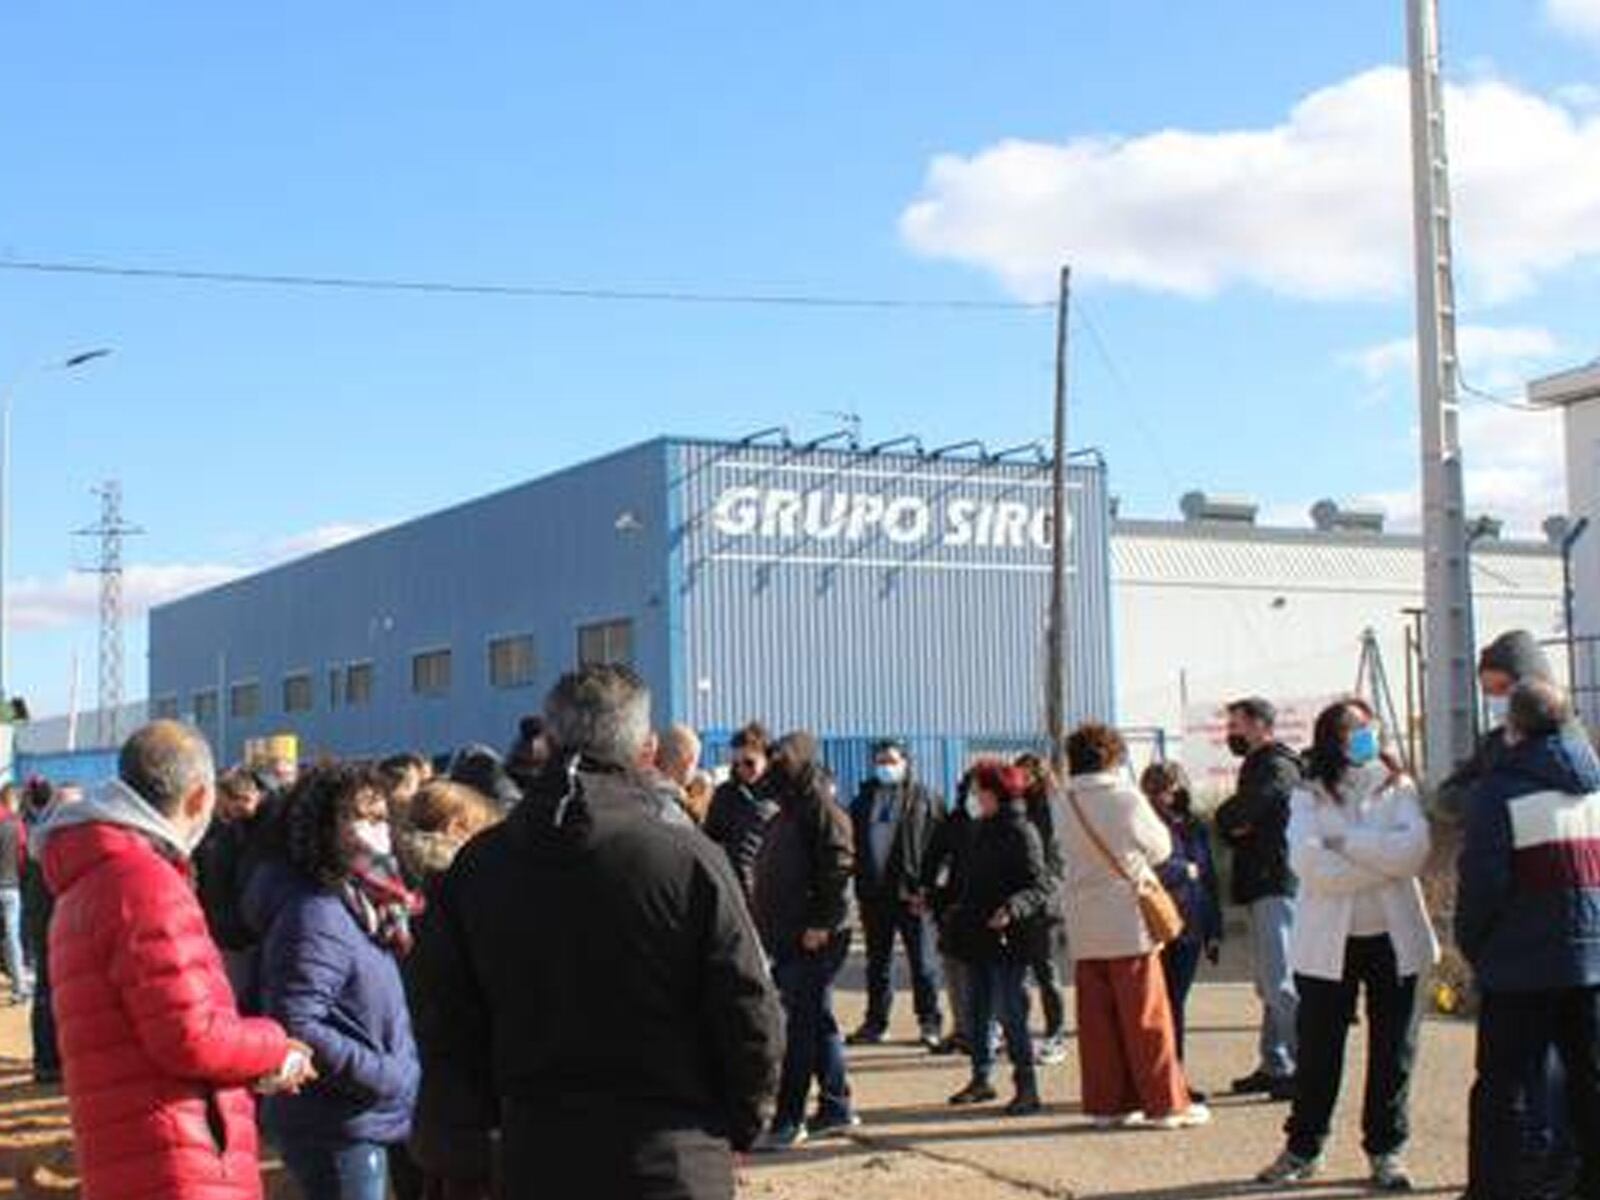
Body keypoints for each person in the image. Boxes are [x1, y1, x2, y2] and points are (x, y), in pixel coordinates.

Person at [409, 666, 782, 1199]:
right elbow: (751, 1012)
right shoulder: (686, 859)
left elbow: (442, 1018)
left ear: (549, 740)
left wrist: (471, 1141)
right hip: (669, 1155)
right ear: (647, 751)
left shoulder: (480, 865)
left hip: (537, 1154)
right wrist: (739, 1120)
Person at [39, 720, 313, 1200]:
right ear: (200, 798)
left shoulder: (88, 881)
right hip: (179, 1158)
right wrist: (275, 1047)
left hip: (131, 1150)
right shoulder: (145, 884)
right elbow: (190, 1035)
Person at [1255, 699, 1437, 1190]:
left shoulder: (1398, 785)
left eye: (1367, 727)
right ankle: (1304, 1147)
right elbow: (1312, 866)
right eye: (1352, 729)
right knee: (1319, 1050)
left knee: (1394, 1051)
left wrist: (1347, 844)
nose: (1363, 736)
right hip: (1328, 943)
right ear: (1330, 739)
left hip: (1394, 938)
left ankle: (1386, 1150)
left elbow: (1413, 851)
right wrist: (1381, 858)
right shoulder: (1308, 794)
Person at [247, 764, 420, 1200]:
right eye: (358, 817)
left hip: (356, 1114)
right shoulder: (317, 912)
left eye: (381, 818)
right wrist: (382, 1075)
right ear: (323, 826)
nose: (375, 831)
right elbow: (296, 1023)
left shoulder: (367, 904)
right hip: (334, 1122)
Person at [1458, 680, 1600, 1200]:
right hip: (1590, 959)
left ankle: (1496, 1188)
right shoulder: (1593, 783)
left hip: (1520, 962)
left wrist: (1475, 946)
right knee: (1589, 1077)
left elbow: (1483, 884)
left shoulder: (1500, 790)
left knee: (1502, 1085)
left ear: (1512, 726)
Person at [1059, 723, 1208, 1130]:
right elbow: (1160, 848)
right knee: (1147, 1017)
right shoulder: (1125, 798)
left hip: (1083, 919)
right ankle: (1165, 1104)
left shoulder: (1063, 802)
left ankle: (1108, 1105)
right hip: (1126, 918)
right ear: (1114, 756)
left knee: (1098, 1022)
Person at [389, 780, 499, 1200]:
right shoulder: (463, 894)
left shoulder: (390, 888)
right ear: (456, 828)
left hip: (422, 1097)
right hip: (466, 1101)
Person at [752, 730, 858, 1150]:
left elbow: (839, 868)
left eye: (782, 761)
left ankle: (789, 1118)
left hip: (813, 937)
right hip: (787, 935)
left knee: (800, 1029)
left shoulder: (821, 810)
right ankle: (836, 1105)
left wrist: (821, 922)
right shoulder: (789, 808)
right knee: (816, 1020)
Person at [944, 761, 1050, 1115]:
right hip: (976, 935)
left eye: (979, 791)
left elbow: (1039, 885)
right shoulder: (977, 829)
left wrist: (1011, 908)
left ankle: (1027, 1086)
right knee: (978, 1012)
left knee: (1011, 1013)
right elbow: (964, 880)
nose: (974, 797)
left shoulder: (1022, 831)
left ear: (995, 793)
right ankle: (981, 1078)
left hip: (1009, 938)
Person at [1215, 696, 1303, 1101]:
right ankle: (1275, 1063)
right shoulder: (1260, 766)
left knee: (1280, 979)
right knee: (1269, 980)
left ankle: (1302, 1067)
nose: (1230, 734)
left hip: (1275, 881)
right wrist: (1236, 825)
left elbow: (1243, 812)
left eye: (1236, 725)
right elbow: (1241, 821)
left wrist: (1229, 821)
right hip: (1263, 881)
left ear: (1259, 725)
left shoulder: (1276, 766)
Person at [847, 739, 944, 1050]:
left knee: (923, 963)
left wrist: (929, 888)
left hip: (913, 895)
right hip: (875, 894)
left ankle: (929, 1022)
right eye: (880, 761)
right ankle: (876, 1023)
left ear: (905, 762)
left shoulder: (925, 799)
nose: (885, 767)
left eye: (891, 761)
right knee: (878, 963)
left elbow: (941, 846)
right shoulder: (864, 800)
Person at [1140, 762, 1223, 1081]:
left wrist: (1214, 931)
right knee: (1161, 1003)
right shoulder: (1144, 823)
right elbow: (1144, 869)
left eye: (1173, 788)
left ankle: (1174, 1075)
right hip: (1158, 923)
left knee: (1176, 1001)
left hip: (1191, 923)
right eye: (1162, 789)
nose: (1169, 795)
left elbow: (1209, 878)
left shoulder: (1193, 824)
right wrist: (1182, 870)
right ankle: (1163, 1077)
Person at [195, 767, 273, 1010]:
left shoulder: (261, 827)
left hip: (243, 931)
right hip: (227, 931)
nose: (222, 812)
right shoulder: (221, 830)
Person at [920, 769, 983, 1056]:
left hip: (987, 912)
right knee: (954, 973)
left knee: (982, 978)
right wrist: (928, 892)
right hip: (951, 911)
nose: (976, 797)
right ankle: (962, 1030)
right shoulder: (952, 823)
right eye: (972, 790)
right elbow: (933, 859)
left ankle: (987, 1032)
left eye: (981, 790)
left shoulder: (1002, 825)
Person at [1016, 753, 1071, 1065]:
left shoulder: (1053, 808)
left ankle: (1055, 1034)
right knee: (1019, 973)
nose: (1021, 780)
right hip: (1018, 901)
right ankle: (1019, 1031)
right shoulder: (1017, 806)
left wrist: (1047, 893)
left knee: (1045, 970)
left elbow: (1057, 858)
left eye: (1026, 774)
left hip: (1044, 902)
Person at [704, 721, 780, 902]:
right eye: (736, 764)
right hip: (735, 886)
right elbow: (711, 839)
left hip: (773, 886)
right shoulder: (725, 794)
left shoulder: (781, 794)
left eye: (749, 763)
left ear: (767, 759)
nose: (742, 769)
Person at [20, 779, 62, 1082]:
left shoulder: (37, 838)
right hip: (50, 923)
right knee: (50, 990)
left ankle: (47, 1060)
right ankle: (49, 1060)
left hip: (40, 919)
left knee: (46, 991)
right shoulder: (52, 843)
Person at [0, 783, 30, 1003]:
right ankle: (20, 986)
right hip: (11, 887)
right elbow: (23, 855)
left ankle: (17, 981)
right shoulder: (16, 824)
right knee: (12, 937)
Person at [447, 743, 523, 811]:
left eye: (486, 766)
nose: (477, 771)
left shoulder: (506, 790)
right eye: (474, 764)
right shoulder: (447, 792)